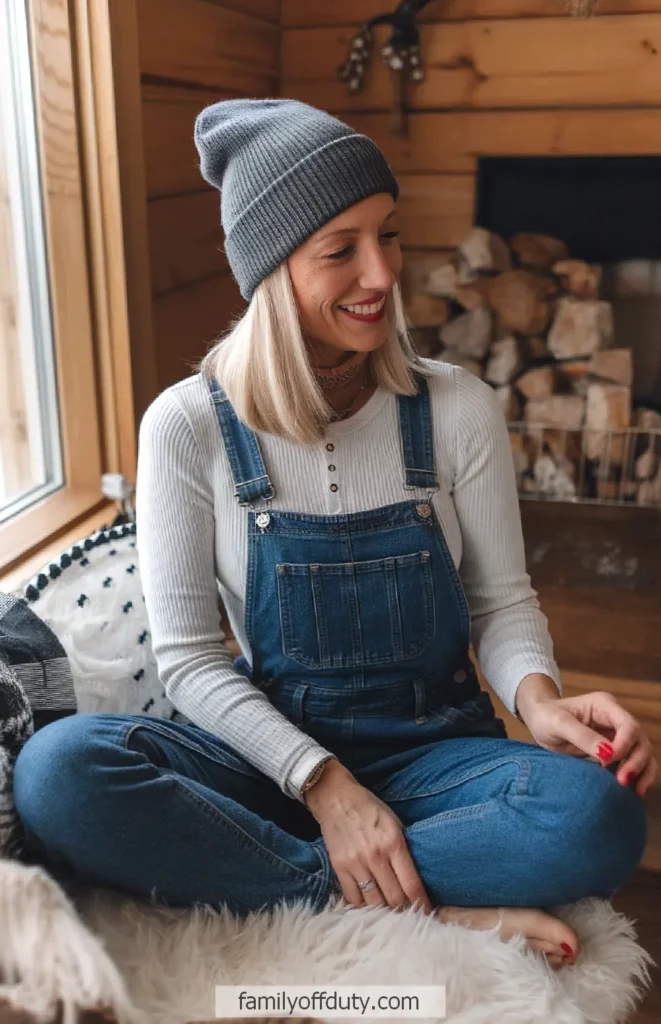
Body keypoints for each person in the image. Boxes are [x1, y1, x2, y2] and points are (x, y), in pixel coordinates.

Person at [14, 99, 654, 972]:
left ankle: (287, 880)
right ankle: (416, 905)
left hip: (439, 757)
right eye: (340, 249)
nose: (382, 273)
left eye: (387, 235)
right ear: (273, 271)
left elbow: (500, 601)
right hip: (266, 761)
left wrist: (539, 703)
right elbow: (192, 662)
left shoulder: (455, 406)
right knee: (59, 772)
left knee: (596, 817)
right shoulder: (186, 425)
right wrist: (325, 788)